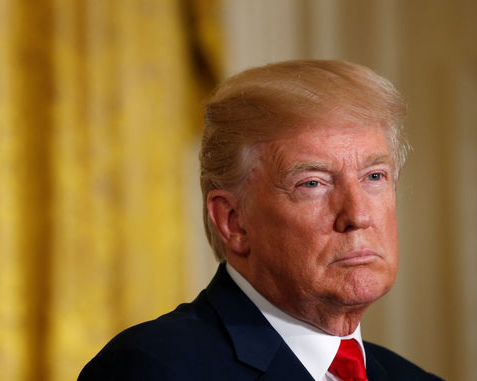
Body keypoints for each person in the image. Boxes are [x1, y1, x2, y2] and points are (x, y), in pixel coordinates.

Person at [78, 60, 443, 380]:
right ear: (233, 221)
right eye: (312, 183)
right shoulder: (152, 369)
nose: (358, 215)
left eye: (374, 177)